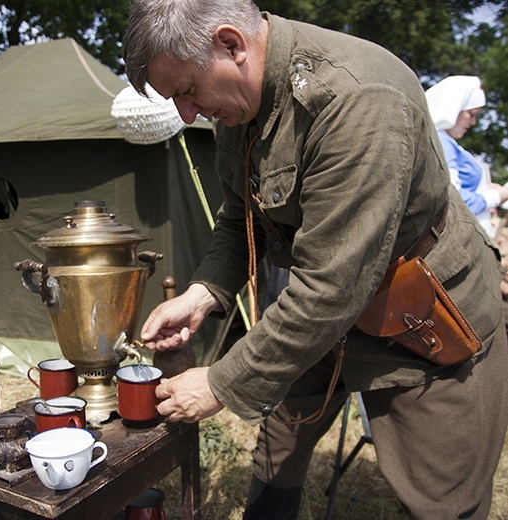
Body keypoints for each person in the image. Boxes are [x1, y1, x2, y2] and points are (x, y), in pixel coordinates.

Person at [122, 1, 508, 518]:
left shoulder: (357, 99)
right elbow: (242, 218)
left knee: (441, 497)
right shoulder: (237, 104)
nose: (187, 114)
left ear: (231, 44)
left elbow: (331, 285)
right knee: (281, 432)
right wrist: (204, 292)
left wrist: (219, 383)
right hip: (325, 310)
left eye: (187, 91)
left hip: (425, 320)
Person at [425, 75, 508, 238]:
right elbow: (452, 197)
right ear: (453, 108)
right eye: (471, 114)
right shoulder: (442, 140)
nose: (473, 122)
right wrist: (500, 195)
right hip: (461, 239)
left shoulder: (446, 142)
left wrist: (487, 189)